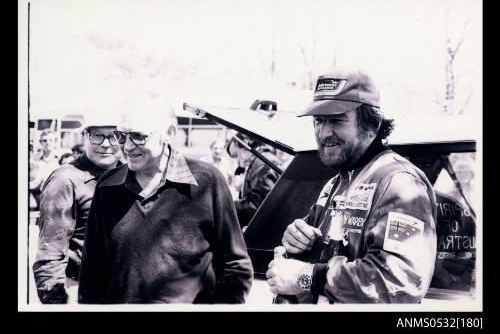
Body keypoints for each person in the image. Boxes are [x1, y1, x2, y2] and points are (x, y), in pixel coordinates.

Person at [266, 66, 437, 304]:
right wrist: (295, 243)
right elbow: (313, 263)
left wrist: (307, 278)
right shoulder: (336, 183)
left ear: (371, 125)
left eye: (336, 120)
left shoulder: (400, 183)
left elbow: (398, 282)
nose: (324, 133)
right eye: (318, 121)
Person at [78, 93, 253, 304]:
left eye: (139, 136)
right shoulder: (107, 187)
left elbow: (236, 265)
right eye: (122, 136)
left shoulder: (207, 182)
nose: (128, 146)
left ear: (169, 133)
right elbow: (92, 272)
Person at [32, 112, 122, 304]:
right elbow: (49, 255)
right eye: (97, 135)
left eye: (114, 135)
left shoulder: (130, 176)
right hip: (79, 290)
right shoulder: (65, 180)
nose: (106, 144)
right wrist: (58, 304)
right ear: (84, 136)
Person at [227, 133, 280, 229]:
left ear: (245, 143)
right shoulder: (259, 161)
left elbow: (258, 204)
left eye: (236, 155)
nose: (237, 162)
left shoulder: (263, 162)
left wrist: (229, 206)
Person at [29, 130, 62, 210]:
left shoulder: (61, 160)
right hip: (38, 203)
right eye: (45, 140)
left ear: (55, 142)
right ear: (41, 142)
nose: (48, 143)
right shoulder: (34, 161)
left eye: (51, 140)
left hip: (58, 202)